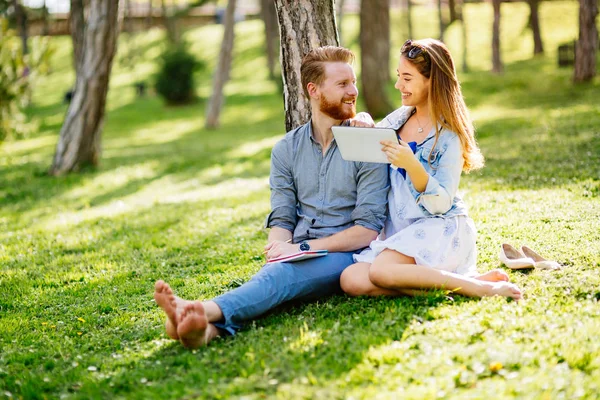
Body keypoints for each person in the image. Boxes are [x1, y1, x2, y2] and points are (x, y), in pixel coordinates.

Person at [154, 46, 389, 348]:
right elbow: (282, 216)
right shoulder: (286, 150)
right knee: (277, 279)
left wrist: (302, 248)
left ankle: (201, 308)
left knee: (279, 280)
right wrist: (279, 246)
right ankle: (204, 332)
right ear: (313, 90)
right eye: (343, 84)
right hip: (298, 250)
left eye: (353, 82)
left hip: (346, 254)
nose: (353, 91)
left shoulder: (367, 143)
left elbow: (367, 230)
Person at [340, 39, 523, 301]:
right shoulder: (399, 118)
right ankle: (458, 283)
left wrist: (413, 166)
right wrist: (363, 121)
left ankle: (480, 289)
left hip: (440, 229)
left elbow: (441, 204)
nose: (398, 85)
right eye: (398, 77)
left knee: (381, 270)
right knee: (351, 279)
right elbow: (372, 138)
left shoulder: (449, 136)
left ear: (432, 81)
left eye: (407, 78)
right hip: (402, 233)